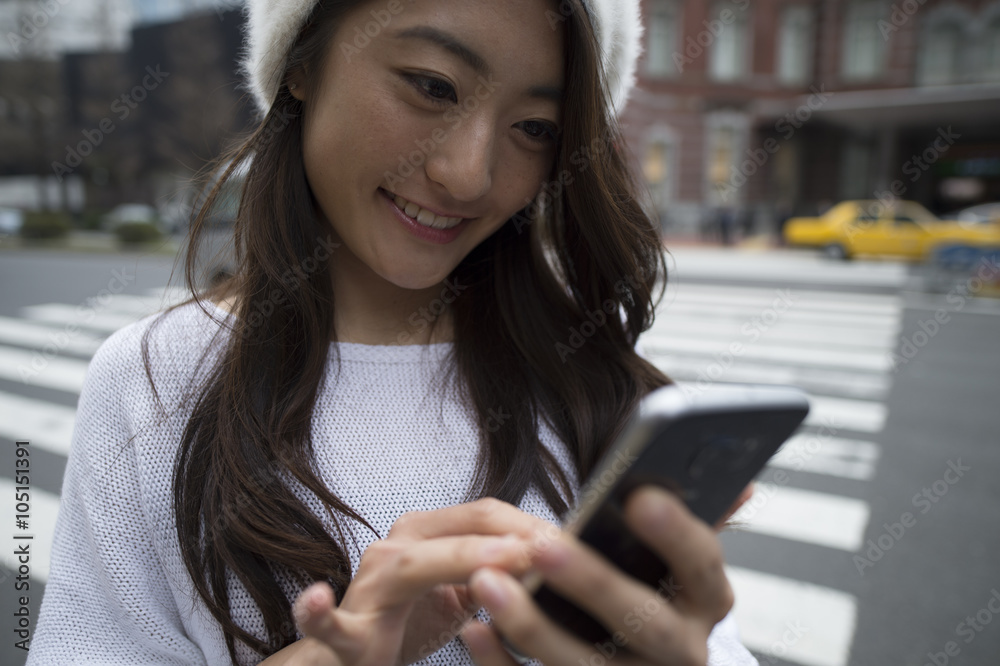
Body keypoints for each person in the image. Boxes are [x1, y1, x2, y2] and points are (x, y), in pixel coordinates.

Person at [28, 0, 760, 664]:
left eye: (535, 128)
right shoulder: (152, 378)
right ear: (303, 63)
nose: (468, 174)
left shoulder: (593, 384)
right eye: (433, 86)